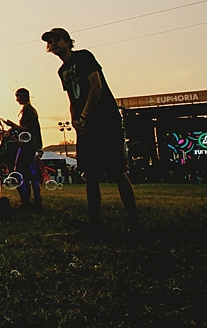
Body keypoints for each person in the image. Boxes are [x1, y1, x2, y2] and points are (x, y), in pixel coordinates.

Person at [43, 27, 139, 234]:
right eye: (50, 42)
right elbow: (71, 98)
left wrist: (85, 116)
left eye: (57, 40)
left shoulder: (84, 57)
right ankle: (95, 222)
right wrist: (75, 120)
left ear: (69, 42)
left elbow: (96, 87)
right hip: (85, 124)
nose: (53, 44)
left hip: (104, 119)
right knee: (91, 173)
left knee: (117, 170)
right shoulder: (62, 71)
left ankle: (134, 221)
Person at [3, 88, 44, 210]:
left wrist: (13, 125)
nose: (16, 99)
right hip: (30, 144)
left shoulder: (27, 110)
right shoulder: (31, 110)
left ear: (23, 96)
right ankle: (35, 200)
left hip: (27, 145)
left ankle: (27, 200)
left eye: (17, 96)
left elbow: (26, 129)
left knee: (22, 172)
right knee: (30, 173)